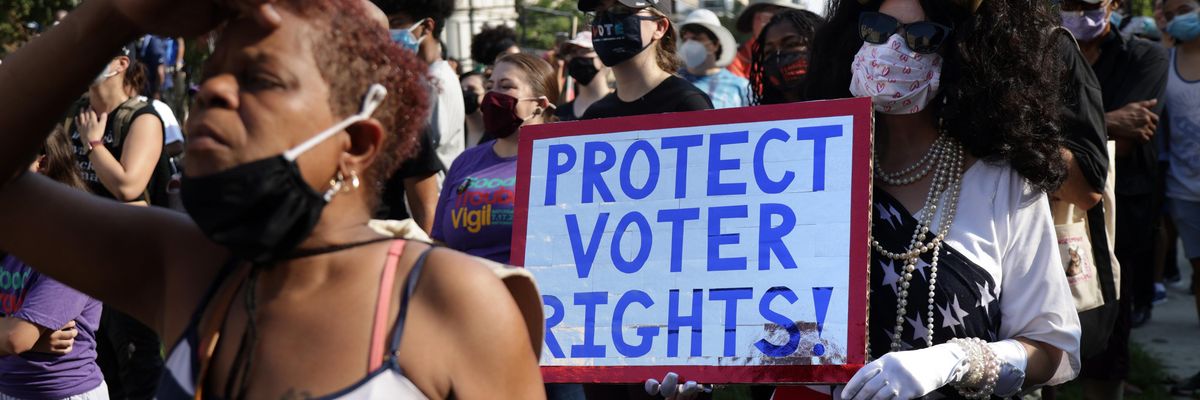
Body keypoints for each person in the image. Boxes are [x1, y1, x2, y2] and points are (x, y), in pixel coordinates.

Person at [0, 0, 545, 398]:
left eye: (260, 78)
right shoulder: (185, 265)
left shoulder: (451, 300)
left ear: (355, 143)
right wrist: (114, 17)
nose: (213, 91)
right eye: (210, 78)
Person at [802, 0, 1081, 398]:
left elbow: (1048, 348)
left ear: (964, 54)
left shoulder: (1002, 182)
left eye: (921, 37)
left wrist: (957, 361)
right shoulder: (813, 172)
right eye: (878, 28)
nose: (891, 49)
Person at [1059, 0, 1169, 397]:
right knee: (1038, 330)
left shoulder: (1145, 56)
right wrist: (1107, 121)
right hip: (1050, 208)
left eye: (1088, 3)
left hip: (1117, 220)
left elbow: (1125, 143)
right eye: (1067, 3)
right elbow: (1026, 128)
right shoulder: (1042, 51)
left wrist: (1062, 129)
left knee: (1106, 340)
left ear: (1114, 4)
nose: (1076, 11)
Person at [0, 127, 107, 400]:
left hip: (63, 393)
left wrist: (22, 336)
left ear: (43, 163)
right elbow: (17, 337)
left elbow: (16, 338)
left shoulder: (73, 240)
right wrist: (28, 338)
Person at [578, 0, 714, 120]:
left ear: (660, 27)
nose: (605, 20)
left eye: (621, 9)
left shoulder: (688, 105)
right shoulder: (595, 116)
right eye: (598, 12)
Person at [373, 0, 466, 169]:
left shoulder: (435, 80)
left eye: (397, 23)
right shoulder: (434, 74)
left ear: (427, 27)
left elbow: (422, 144)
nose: (390, 32)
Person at [1162, 0, 1200, 339]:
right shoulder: (1165, 62)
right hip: (1184, 190)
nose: (1178, 19)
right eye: (1171, 14)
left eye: (1185, 8)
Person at [677, 9, 751, 109]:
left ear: (715, 45)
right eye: (685, 40)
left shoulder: (741, 87)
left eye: (696, 39)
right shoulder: (671, 82)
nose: (688, 44)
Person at [748, 9, 822, 105]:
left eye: (791, 44)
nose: (778, 56)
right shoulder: (765, 114)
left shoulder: (841, 103)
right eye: (769, 52)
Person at [729, 0, 808, 79]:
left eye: (786, 16)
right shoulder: (737, 60)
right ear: (754, 20)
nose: (779, 24)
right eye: (768, 18)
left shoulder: (801, 53)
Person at [556, 31, 611, 122]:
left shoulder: (618, 108)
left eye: (583, 51)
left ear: (602, 57)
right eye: (572, 52)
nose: (575, 57)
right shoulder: (560, 113)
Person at [461, 71, 486, 147]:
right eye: (461, 90)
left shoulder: (498, 136)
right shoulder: (455, 131)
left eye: (471, 89)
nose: (465, 94)